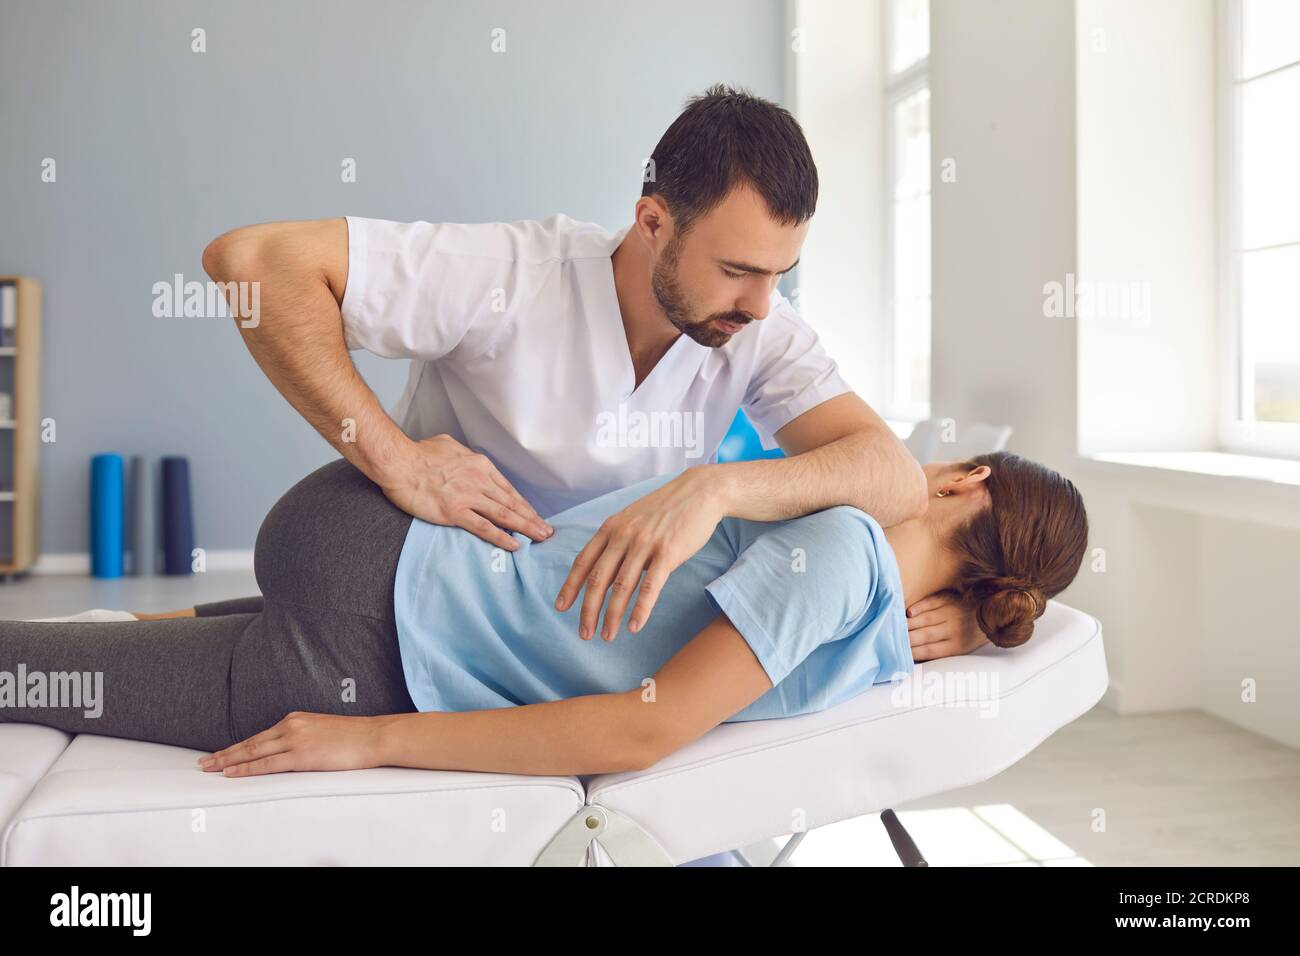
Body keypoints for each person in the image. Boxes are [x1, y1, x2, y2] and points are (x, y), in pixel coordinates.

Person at [200, 84, 987, 659]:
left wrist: (713, 488)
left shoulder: (757, 324)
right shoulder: (514, 272)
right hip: (421, 593)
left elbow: (889, 474)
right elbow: (254, 264)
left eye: (781, 273)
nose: (760, 303)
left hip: (586, 632)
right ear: (653, 222)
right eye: (739, 269)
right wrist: (396, 460)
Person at [0, 451, 1088, 779]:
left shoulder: (842, 552)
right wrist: (368, 732)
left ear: (965, 477)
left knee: (42, 662)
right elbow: (641, 721)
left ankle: (163, 627)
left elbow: (641, 723)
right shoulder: (848, 567)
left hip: (371, 573)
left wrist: (369, 737)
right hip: (369, 624)